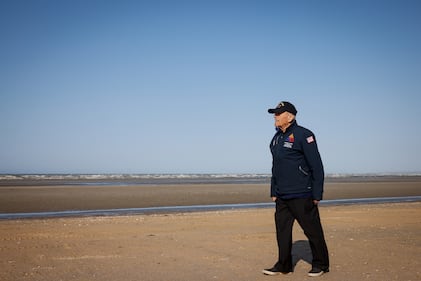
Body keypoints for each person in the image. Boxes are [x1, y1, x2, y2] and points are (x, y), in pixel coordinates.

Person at [262, 101, 329, 277]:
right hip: (282, 196)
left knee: (312, 231)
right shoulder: (276, 138)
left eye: (278, 113)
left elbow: (317, 166)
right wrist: (273, 191)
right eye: (274, 114)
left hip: (302, 193)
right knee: (282, 233)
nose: (275, 117)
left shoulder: (304, 135)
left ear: (290, 116)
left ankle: (321, 264)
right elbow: (275, 167)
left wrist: (317, 194)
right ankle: (283, 265)